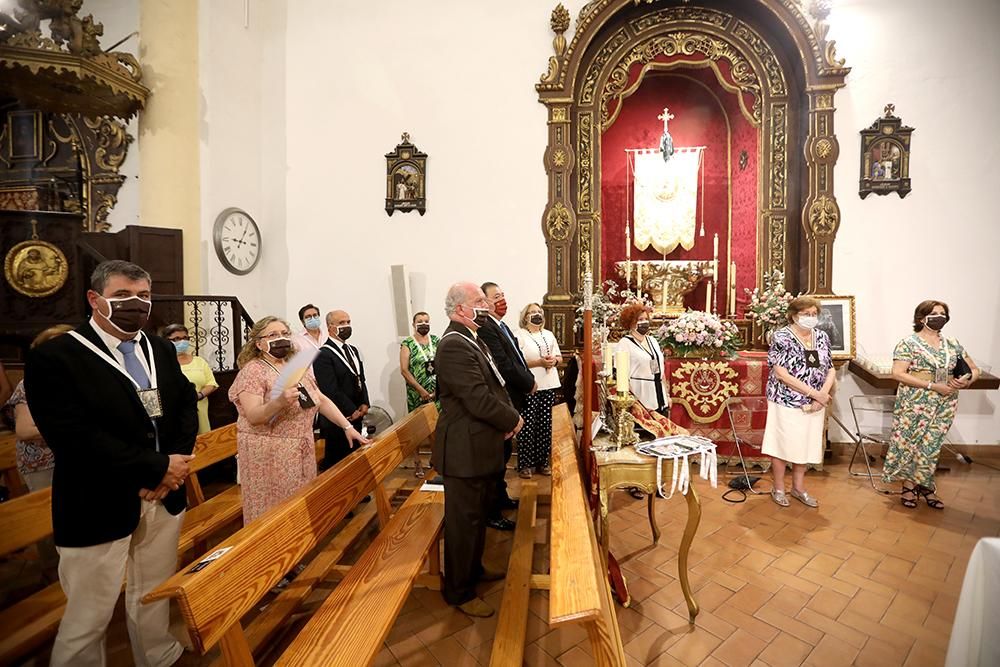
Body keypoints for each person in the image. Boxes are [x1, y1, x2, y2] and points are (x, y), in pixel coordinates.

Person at [24, 260, 198, 667]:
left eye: (143, 296)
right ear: (95, 299)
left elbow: (184, 406)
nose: (135, 304)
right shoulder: (57, 355)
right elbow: (74, 436)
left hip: (165, 493)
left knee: (154, 590)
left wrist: (173, 466)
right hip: (97, 499)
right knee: (90, 613)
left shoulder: (158, 347)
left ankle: (156, 655)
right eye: (122, 296)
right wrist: (155, 467)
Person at [432, 282, 523, 618]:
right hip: (463, 450)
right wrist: (512, 418)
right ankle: (459, 590)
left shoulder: (472, 337)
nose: (485, 306)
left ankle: (475, 569)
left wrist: (508, 415)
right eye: (478, 301)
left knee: (477, 517)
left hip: (478, 445)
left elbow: (494, 385)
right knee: (463, 523)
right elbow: (477, 397)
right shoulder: (454, 346)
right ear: (460, 309)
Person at [229, 316, 367, 524]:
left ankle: (296, 546)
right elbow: (254, 415)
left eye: (285, 334)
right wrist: (279, 402)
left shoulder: (294, 367)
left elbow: (319, 398)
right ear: (258, 343)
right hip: (269, 453)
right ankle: (271, 553)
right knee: (272, 511)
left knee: (299, 504)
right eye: (273, 335)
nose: (281, 339)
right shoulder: (253, 371)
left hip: (299, 447)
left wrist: (346, 426)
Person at [883, 300, 979, 510]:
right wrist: (932, 385)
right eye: (933, 313)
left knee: (931, 444)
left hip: (945, 401)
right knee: (911, 443)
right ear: (921, 318)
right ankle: (908, 486)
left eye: (942, 313)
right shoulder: (908, 343)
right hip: (915, 401)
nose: (939, 316)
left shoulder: (952, 343)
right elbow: (898, 373)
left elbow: (974, 370)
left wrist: (965, 380)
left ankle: (925, 484)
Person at [762, 296, 835, 508]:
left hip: (816, 402)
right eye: (806, 314)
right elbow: (781, 373)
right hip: (786, 399)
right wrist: (815, 393)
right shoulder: (782, 336)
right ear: (794, 315)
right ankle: (778, 488)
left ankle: (798, 488)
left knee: (805, 444)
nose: (811, 318)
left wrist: (822, 394)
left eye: (814, 314)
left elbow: (830, 367)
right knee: (783, 444)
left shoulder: (821, 337)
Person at [479, 281, 535, 531]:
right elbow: (503, 364)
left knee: (503, 454)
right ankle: (491, 510)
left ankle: (501, 497)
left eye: (503, 294)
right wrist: (528, 382)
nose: (502, 300)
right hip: (507, 396)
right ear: (484, 302)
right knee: (496, 457)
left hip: (515, 395)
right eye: (496, 296)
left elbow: (517, 357)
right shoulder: (486, 327)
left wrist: (528, 378)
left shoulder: (500, 325)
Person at [5, 325, 73, 491]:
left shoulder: (80, 380)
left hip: (77, 458)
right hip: (43, 463)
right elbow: (24, 431)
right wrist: (74, 428)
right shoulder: (29, 383)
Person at [313, 310, 370, 471]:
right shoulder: (323, 354)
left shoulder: (352, 349)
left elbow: (360, 378)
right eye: (341, 323)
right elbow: (330, 389)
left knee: (355, 457)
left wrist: (365, 402)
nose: (346, 326)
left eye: (348, 322)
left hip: (357, 413)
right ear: (330, 327)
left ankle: (357, 492)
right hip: (338, 416)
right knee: (339, 462)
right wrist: (351, 409)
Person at [514, 303, 562, 478]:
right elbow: (517, 363)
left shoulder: (548, 334)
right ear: (525, 316)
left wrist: (554, 361)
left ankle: (542, 461)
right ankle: (525, 464)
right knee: (527, 425)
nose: (536, 315)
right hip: (529, 385)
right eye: (532, 312)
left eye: (539, 312)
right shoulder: (519, 335)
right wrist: (539, 363)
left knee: (545, 425)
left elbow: (559, 356)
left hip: (548, 384)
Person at [400, 311, 440, 477]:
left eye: (426, 321)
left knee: (436, 427)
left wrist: (438, 389)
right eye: (420, 321)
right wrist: (421, 391)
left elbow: (444, 364)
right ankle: (417, 462)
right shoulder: (407, 343)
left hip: (436, 392)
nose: (424, 324)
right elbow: (404, 370)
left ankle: (436, 460)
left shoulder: (436, 340)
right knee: (417, 429)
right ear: (414, 324)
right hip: (417, 393)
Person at [162, 324, 218, 434]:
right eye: (177, 339)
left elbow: (211, 383)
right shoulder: (163, 363)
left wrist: (198, 396)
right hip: (175, 414)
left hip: (200, 412)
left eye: (185, 338)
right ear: (166, 340)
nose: (182, 342)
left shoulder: (199, 361)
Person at [615, 303, 669, 413]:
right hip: (640, 394)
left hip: (658, 394)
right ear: (631, 323)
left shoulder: (652, 341)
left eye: (646, 319)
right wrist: (631, 400)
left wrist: (667, 394)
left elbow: (657, 367)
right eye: (640, 319)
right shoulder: (625, 343)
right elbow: (621, 375)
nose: (644, 322)